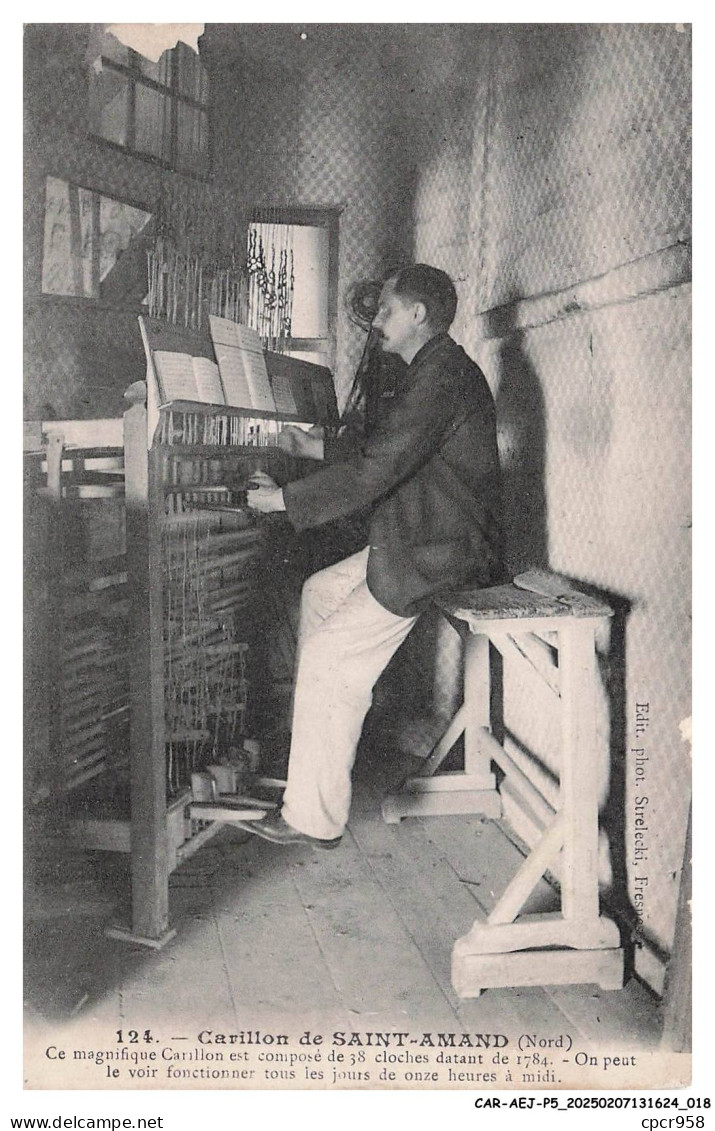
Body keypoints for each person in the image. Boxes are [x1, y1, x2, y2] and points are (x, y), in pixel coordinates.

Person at [238, 264, 504, 848]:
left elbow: (379, 467)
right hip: (421, 534)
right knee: (318, 594)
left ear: (417, 315)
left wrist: (284, 499)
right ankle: (312, 773)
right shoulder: (433, 370)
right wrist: (314, 446)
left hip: (440, 550)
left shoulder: (442, 377)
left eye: (387, 310)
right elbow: (387, 445)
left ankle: (313, 818)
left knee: (330, 657)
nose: (376, 320)